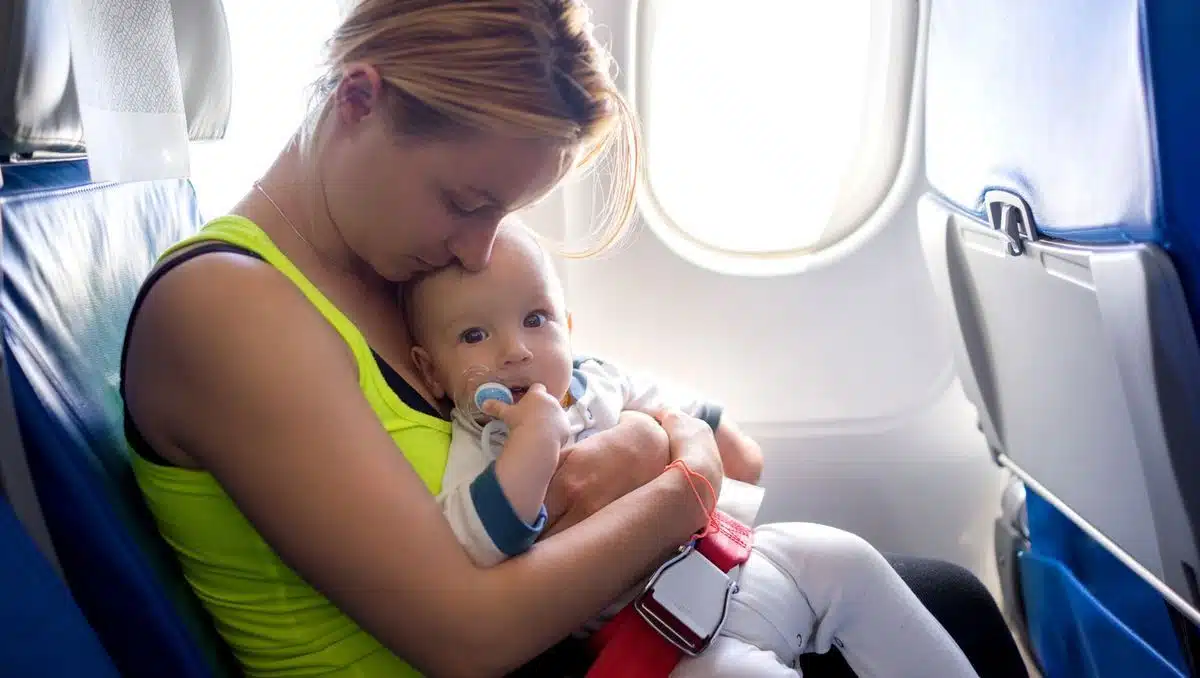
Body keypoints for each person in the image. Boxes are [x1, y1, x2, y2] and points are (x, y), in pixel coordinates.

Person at [119, 1, 1028, 677]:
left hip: (568, 640)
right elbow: (466, 634)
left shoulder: (385, 266)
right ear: (361, 100)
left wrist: (662, 442)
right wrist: (687, 481)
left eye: (505, 214)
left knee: (932, 592)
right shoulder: (227, 312)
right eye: (466, 202)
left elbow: (582, 411)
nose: (480, 249)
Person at [403, 221, 981, 677]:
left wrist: (696, 432)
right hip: (662, 635)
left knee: (842, 554)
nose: (517, 350)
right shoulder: (481, 440)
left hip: (734, 558)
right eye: (474, 335)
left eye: (536, 320)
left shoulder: (595, 378)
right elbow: (474, 545)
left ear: (569, 325)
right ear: (432, 373)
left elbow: (702, 424)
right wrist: (533, 445)